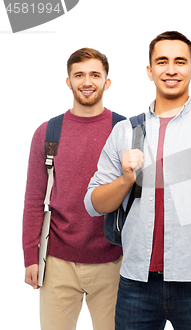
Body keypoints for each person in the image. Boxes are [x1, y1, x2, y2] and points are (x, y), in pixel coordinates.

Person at [84, 31, 191, 330]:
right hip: (136, 284)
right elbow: (94, 204)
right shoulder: (125, 131)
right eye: (162, 61)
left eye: (180, 61)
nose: (171, 69)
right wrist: (126, 179)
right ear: (150, 70)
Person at [22, 48, 123, 330]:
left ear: (107, 81)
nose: (87, 82)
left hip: (113, 259)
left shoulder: (123, 130)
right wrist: (31, 257)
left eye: (95, 75)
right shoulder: (48, 133)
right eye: (79, 75)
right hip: (57, 262)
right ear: (69, 81)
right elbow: (33, 200)